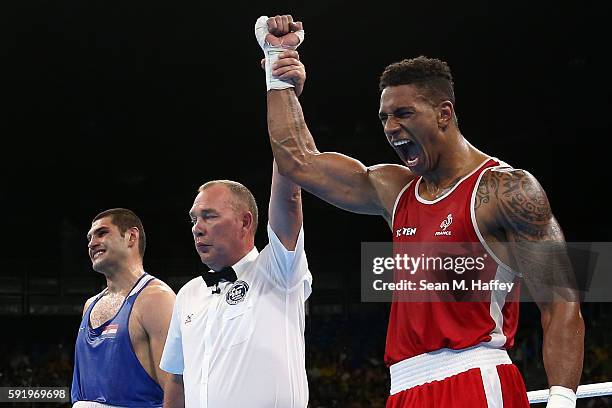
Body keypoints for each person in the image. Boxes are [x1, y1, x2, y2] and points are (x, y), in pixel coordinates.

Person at [254, 14, 585, 408]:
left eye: (403, 113)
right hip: (404, 387)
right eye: (384, 117)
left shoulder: (505, 189)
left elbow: (562, 301)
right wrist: (279, 71)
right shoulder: (395, 189)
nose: (391, 127)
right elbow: (299, 163)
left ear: (444, 113)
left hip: (474, 378)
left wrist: (562, 399)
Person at [159, 163, 312, 408]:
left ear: (245, 222)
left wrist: (284, 133)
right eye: (193, 220)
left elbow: (289, 200)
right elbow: (177, 379)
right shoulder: (188, 294)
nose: (197, 228)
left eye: (209, 216)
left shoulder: (277, 269)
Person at [71, 208, 176, 408]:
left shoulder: (156, 299)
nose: (92, 243)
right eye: (89, 238)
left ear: (131, 236)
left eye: (102, 233)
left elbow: (175, 391)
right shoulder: (90, 305)